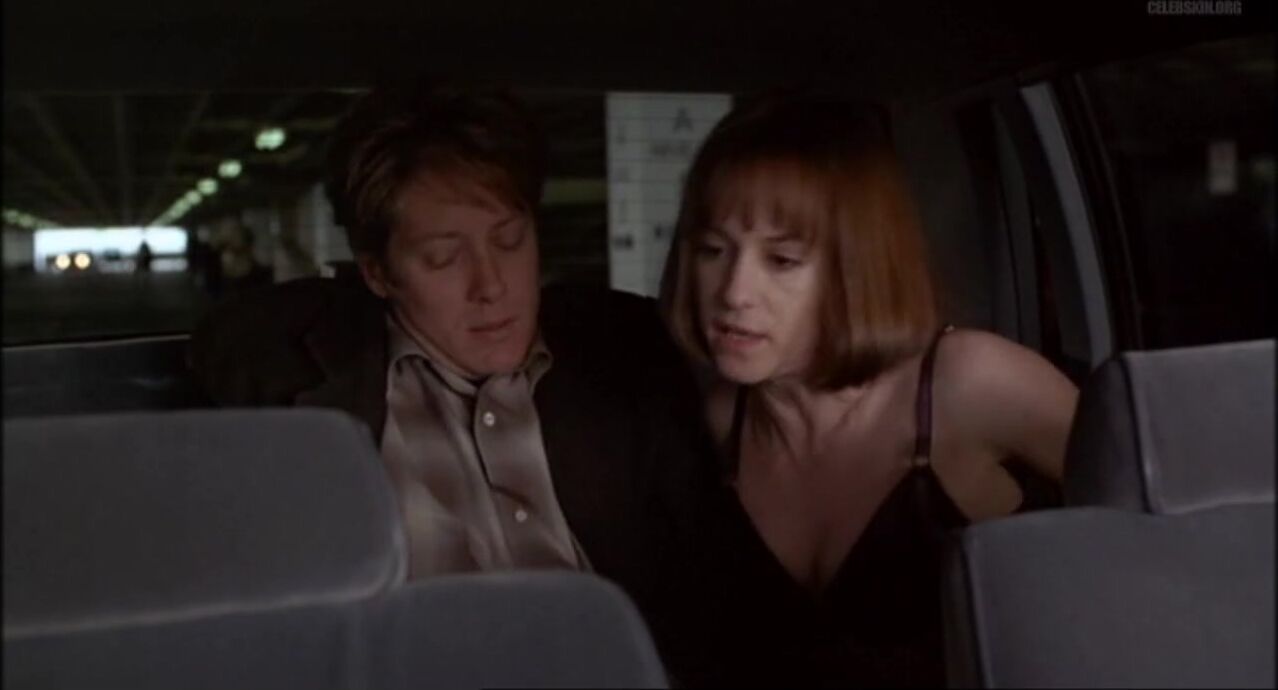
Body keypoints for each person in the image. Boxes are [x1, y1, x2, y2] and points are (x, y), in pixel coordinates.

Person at [188, 84, 726, 685]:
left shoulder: (623, 352)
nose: (491, 285)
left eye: (510, 240)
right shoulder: (314, 373)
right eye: (445, 257)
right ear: (377, 273)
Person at [658, 94, 1079, 686]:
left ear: (858, 268)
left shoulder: (972, 382)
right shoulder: (723, 421)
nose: (733, 292)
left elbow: (1162, 529)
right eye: (712, 250)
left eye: (782, 259)